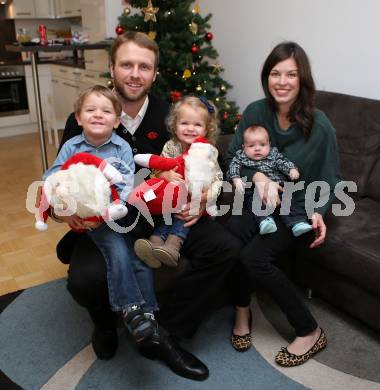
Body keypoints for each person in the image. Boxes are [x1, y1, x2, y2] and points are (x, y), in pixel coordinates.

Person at [54, 31, 240, 381]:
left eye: (144, 66)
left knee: (225, 247)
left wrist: (202, 199)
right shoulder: (89, 115)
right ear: (112, 68)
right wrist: (66, 209)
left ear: (154, 73)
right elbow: (60, 178)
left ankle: (164, 332)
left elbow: (212, 168)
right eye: (127, 64)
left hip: (164, 215)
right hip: (108, 221)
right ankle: (105, 324)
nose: (135, 73)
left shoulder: (172, 116)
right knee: (84, 280)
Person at [224, 41, 340, 366]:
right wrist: (258, 178)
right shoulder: (256, 112)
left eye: (291, 74)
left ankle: (309, 330)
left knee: (254, 258)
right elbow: (232, 155)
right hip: (254, 200)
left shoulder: (320, 125)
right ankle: (242, 310)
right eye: (276, 73)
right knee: (229, 239)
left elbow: (331, 178)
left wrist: (318, 211)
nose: (282, 81)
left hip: (295, 207)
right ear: (267, 76)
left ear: (303, 80)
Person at [43, 85, 160, 343]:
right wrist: (64, 204)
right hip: (88, 218)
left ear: (117, 121)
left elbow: (127, 183)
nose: (98, 115)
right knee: (117, 250)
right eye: (90, 110)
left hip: (117, 214)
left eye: (106, 111)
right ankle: (130, 310)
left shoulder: (121, 148)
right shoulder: (72, 147)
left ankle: (149, 316)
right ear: (78, 117)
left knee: (137, 259)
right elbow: (51, 176)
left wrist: (111, 206)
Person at [134, 95, 222, 268]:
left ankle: (173, 246)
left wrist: (207, 196)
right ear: (175, 126)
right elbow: (157, 169)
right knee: (166, 217)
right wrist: (164, 175)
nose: (190, 129)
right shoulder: (170, 146)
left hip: (194, 200)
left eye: (197, 124)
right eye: (184, 123)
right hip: (171, 198)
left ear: (206, 129)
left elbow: (218, 178)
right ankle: (154, 245)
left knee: (183, 217)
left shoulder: (209, 151)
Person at [227, 124, 312, 237]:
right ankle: (265, 221)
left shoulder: (273, 155)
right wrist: (236, 178)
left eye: (262, 144)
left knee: (289, 201)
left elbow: (283, 162)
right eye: (251, 145)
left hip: (278, 187)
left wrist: (291, 169)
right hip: (253, 190)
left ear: (269, 145)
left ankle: (297, 223)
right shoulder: (241, 157)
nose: (257, 148)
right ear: (244, 147)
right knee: (253, 201)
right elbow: (233, 166)